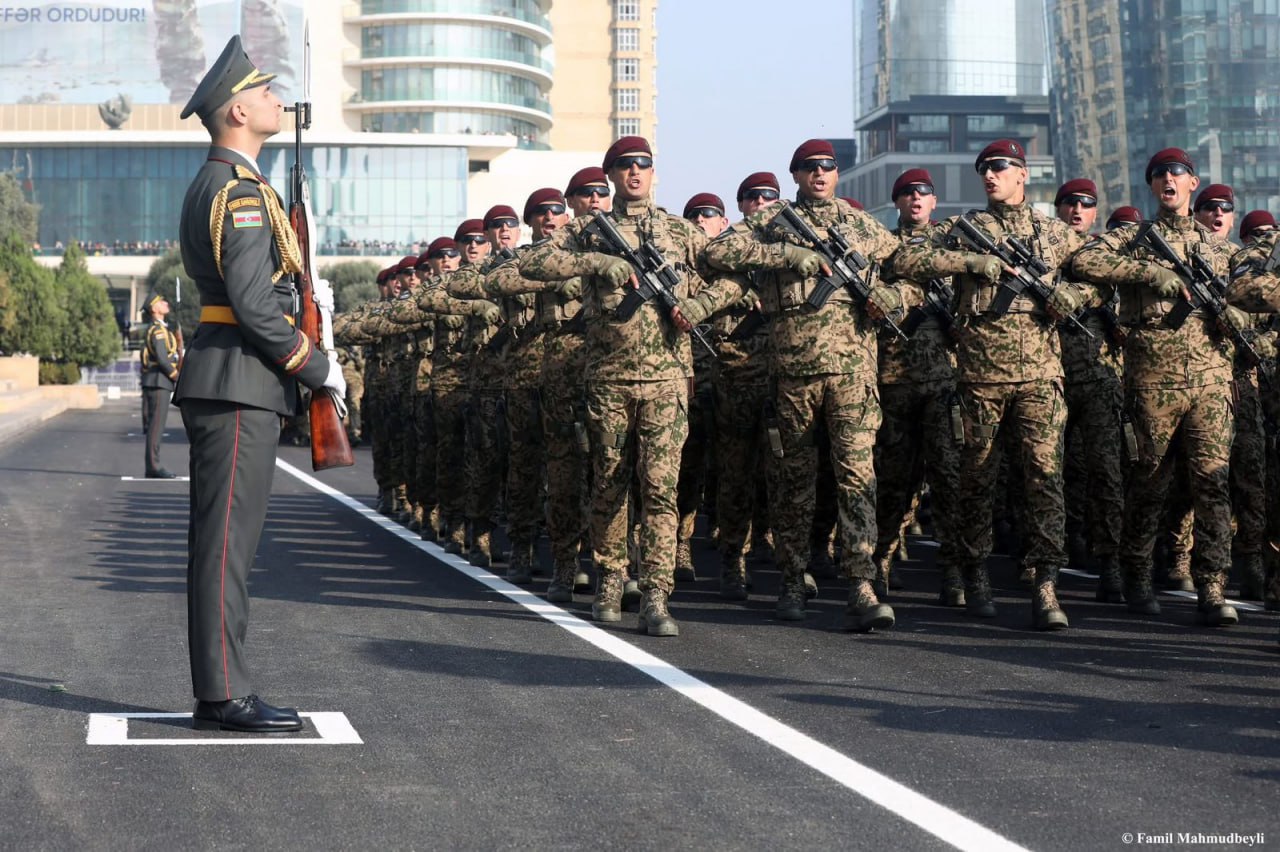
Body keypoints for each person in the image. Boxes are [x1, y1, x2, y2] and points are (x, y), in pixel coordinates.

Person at [174, 36, 346, 732]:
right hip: (238, 381)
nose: (277, 99)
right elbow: (252, 304)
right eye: (265, 91)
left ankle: (220, 686)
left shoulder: (224, 183)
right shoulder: (238, 193)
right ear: (238, 110)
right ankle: (223, 694)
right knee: (226, 548)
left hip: (230, 377)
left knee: (223, 544)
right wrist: (316, 366)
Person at [703, 139, 907, 631]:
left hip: (853, 376)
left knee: (856, 479)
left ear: (837, 173)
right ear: (795, 175)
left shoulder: (859, 224)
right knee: (792, 483)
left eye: (828, 166)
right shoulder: (773, 221)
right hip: (792, 377)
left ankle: (860, 582)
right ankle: (792, 579)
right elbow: (717, 250)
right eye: (810, 167)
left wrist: (893, 297)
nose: (820, 173)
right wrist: (783, 254)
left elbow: (908, 266)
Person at [894, 139, 1089, 630]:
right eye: (984, 168)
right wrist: (968, 263)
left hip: (1041, 378)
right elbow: (905, 260)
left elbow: (1099, 274)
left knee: (1044, 480)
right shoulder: (963, 230)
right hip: (980, 379)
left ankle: (1045, 583)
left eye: (1000, 167)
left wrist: (1073, 296)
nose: (990, 174)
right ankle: (975, 574)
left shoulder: (1054, 233)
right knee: (976, 481)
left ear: (1023, 173)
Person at [520, 136, 710, 636]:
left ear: (653, 172)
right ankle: (609, 580)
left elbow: (734, 274)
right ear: (611, 175)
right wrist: (595, 262)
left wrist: (701, 305)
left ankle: (656, 595)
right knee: (609, 483)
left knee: (661, 489)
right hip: (608, 380)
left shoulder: (679, 231)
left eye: (643, 164)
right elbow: (532, 265)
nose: (635, 172)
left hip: (667, 381)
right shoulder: (588, 231)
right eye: (625, 165)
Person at [1072, 148, 1243, 626]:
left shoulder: (1222, 250)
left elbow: (1249, 298)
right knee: (1149, 482)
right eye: (1159, 174)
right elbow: (1085, 259)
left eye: (1178, 172)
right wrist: (1150, 272)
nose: (1169, 178)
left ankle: (1212, 585)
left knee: (1212, 485)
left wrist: (1236, 316)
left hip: (1211, 383)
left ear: (1193, 183)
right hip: (1153, 382)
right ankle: (1137, 573)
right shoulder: (1134, 238)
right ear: (1151, 186)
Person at [871, 168, 964, 606]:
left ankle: (954, 572)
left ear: (934, 201)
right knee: (893, 480)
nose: (915, 198)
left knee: (949, 478)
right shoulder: (885, 249)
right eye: (907, 193)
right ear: (897, 202)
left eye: (923, 192)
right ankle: (881, 562)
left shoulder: (954, 246)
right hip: (895, 379)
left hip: (944, 381)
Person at [1052, 178, 1126, 602]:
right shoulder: (1044, 252)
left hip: (1100, 378)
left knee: (1106, 471)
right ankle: (1047, 555)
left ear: (1095, 212)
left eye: (1085, 204)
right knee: (1047, 470)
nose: (1077, 210)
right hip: (1052, 374)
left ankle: (1109, 560)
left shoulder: (1103, 255)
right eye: (1069, 203)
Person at [139, 291, 180, 479]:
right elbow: (163, 359)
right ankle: (153, 466)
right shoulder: (157, 330)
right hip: (158, 381)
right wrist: (176, 376)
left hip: (158, 381)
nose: (165, 303)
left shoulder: (161, 328)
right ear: (154, 309)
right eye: (161, 302)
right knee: (156, 427)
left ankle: (153, 465)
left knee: (156, 426)